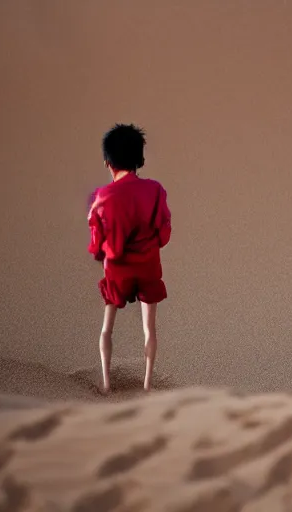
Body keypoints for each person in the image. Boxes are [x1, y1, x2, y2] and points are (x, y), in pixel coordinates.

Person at [87, 124, 171, 393]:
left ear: (108, 162)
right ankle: (147, 384)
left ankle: (106, 383)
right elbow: (164, 232)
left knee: (107, 328)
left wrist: (103, 254)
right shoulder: (156, 190)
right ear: (139, 159)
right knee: (149, 329)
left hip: (117, 270)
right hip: (148, 265)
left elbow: (96, 242)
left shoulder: (101, 197)